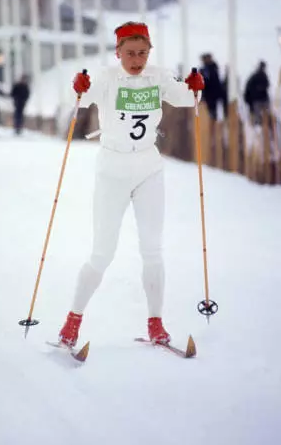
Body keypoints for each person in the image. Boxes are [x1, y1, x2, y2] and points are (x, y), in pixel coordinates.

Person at [57, 21, 204, 348]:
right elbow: (81, 98)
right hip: (112, 169)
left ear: (149, 52)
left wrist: (195, 85)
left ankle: (156, 323)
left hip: (148, 167)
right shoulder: (107, 76)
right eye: (130, 53)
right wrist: (78, 85)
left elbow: (185, 98)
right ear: (118, 52)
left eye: (142, 53)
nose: (136, 60)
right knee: (102, 252)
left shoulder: (160, 75)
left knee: (153, 249)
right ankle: (72, 321)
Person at [243, 61, 270, 125]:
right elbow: (266, 85)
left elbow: (266, 85)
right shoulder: (258, 76)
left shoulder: (258, 76)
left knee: (261, 116)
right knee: (261, 116)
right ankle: (260, 126)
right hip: (258, 100)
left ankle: (260, 126)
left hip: (259, 100)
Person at [199, 53, 223, 120]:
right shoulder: (205, 69)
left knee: (213, 116)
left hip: (212, 96)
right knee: (210, 116)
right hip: (208, 97)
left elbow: (215, 83)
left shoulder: (212, 69)